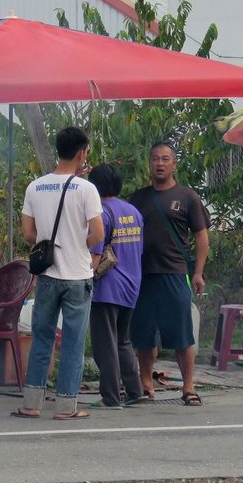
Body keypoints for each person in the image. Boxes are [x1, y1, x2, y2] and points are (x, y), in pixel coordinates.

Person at [13, 127, 103, 421]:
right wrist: (79, 244)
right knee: (74, 343)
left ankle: (31, 403)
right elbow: (98, 232)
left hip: (48, 276)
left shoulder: (34, 187)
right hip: (77, 276)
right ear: (81, 153)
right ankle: (66, 407)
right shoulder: (86, 189)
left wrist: (46, 242)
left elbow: (28, 233)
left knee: (42, 339)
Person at [128, 142, 209, 407]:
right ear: (149, 164)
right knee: (143, 335)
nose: (159, 164)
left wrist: (197, 272)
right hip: (142, 276)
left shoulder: (188, 197)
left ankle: (188, 387)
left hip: (175, 274)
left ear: (174, 164)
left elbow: (201, 236)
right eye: (155, 159)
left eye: (165, 159)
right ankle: (146, 385)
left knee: (182, 335)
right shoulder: (138, 198)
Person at [88, 163, 144, 409]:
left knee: (104, 344)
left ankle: (110, 397)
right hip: (132, 284)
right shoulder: (133, 211)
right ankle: (134, 391)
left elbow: (96, 252)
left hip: (107, 287)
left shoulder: (100, 212)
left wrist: (86, 278)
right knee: (123, 341)